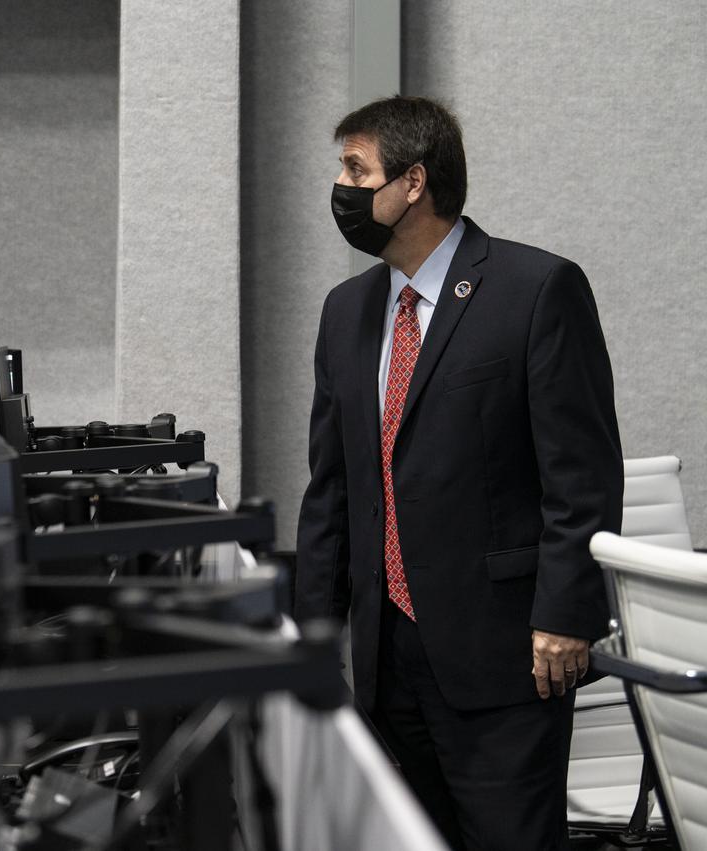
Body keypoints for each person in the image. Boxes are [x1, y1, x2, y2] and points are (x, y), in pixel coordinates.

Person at [294, 96, 622, 850]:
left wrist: (567, 613)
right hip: (386, 656)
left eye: (355, 169)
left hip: (506, 652)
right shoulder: (345, 311)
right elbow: (332, 488)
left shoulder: (536, 289)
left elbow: (582, 475)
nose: (340, 188)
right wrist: (313, 632)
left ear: (412, 183)